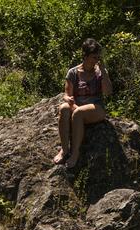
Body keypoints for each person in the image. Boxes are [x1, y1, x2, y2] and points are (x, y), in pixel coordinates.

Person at [53, 38, 113, 167]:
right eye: (94, 57)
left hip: (96, 108)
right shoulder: (73, 72)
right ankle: (64, 149)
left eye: (98, 57)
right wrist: (68, 100)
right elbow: (67, 94)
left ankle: (75, 154)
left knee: (78, 113)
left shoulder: (100, 72)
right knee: (63, 108)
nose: (96, 60)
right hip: (76, 106)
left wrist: (103, 71)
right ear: (85, 56)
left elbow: (108, 92)